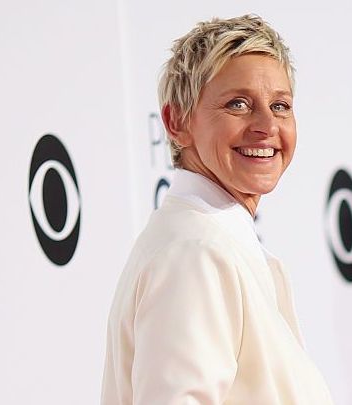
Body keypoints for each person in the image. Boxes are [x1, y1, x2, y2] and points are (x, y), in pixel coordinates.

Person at [101, 14, 333, 404]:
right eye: (238, 104)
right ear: (177, 122)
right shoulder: (195, 253)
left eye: (280, 105)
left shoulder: (213, 244)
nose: (266, 125)